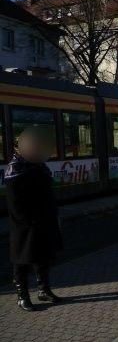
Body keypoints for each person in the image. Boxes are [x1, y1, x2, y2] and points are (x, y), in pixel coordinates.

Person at [5, 127, 63, 311]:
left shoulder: (38, 164)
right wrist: (28, 222)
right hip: (26, 224)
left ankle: (43, 290)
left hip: (44, 219)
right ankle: (22, 296)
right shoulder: (15, 169)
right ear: (18, 147)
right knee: (22, 260)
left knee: (43, 257)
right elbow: (15, 203)